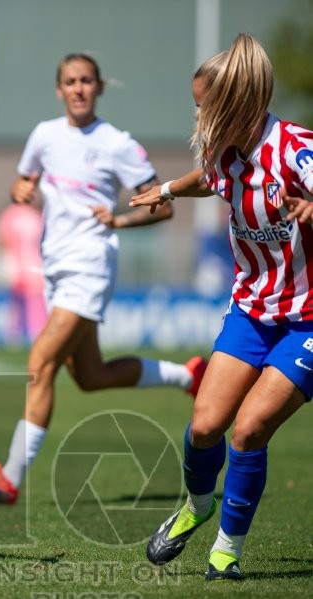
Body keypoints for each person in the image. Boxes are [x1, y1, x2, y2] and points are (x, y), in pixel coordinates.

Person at [0, 53, 208, 505]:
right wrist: (20, 192)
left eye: (87, 81)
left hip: (91, 266)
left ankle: (11, 478)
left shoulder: (118, 144)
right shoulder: (43, 136)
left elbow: (165, 206)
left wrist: (118, 221)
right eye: (70, 81)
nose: (78, 88)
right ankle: (187, 374)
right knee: (91, 376)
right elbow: (23, 186)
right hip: (55, 269)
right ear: (60, 89)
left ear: (99, 87)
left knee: (39, 364)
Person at [131, 33, 313, 581]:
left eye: (205, 105)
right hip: (251, 311)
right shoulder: (222, 152)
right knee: (206, 426)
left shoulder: (296, 148)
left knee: (248, 430)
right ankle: (196, 504)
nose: (199, 115)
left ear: (238, 101)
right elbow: (209, 182)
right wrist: (165, 189)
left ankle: (226, 551)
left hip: (308, 320)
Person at [0, 203, 46, 345]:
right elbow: (3, 240)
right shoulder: (11, 214)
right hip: (17, 263)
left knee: (35, 300)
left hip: (32, 264)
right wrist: (4, 260)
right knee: (16, 300)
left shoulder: (37, 215)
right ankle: (14, 334)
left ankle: (34, 332)